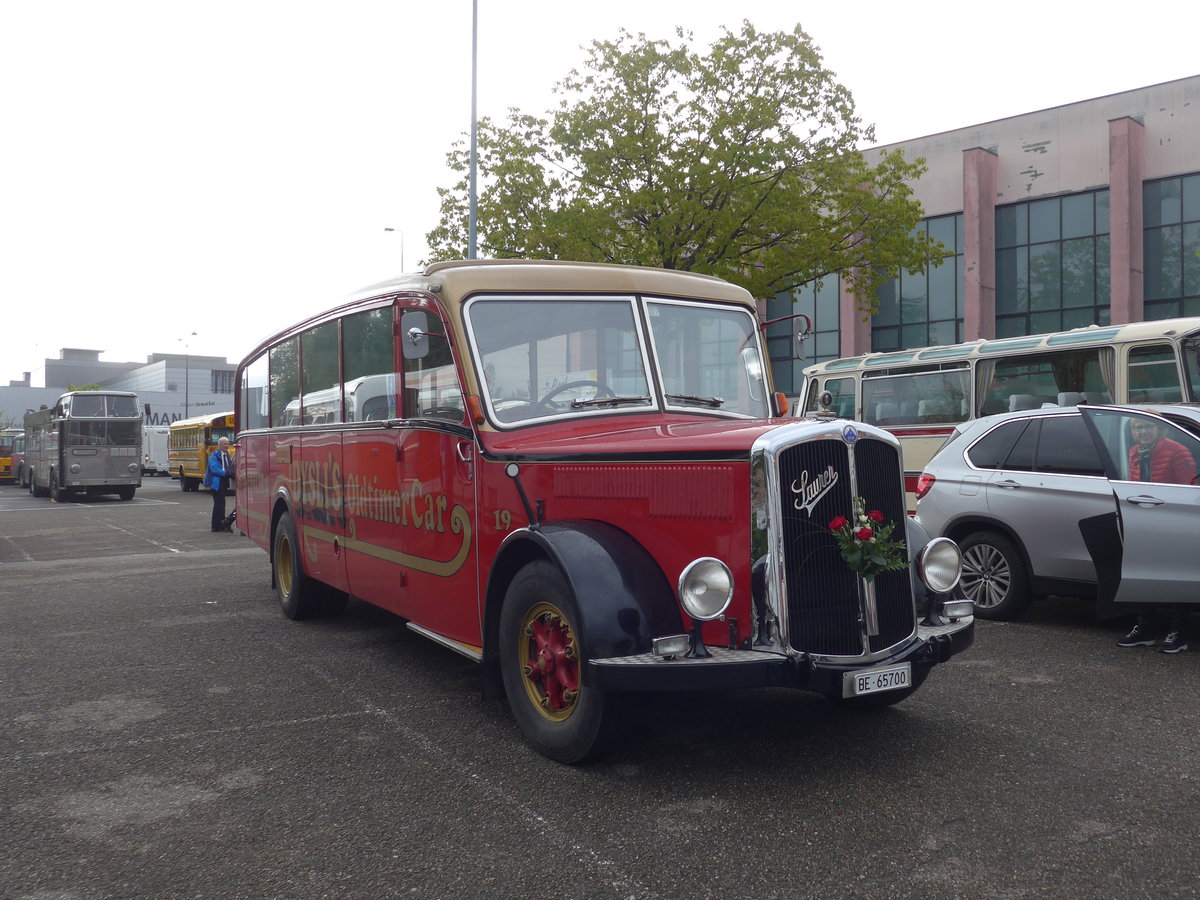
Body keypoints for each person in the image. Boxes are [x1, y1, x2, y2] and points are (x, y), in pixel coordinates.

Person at [1116, 420, 1195, 653]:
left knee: (1177, 575)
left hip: (1174, 520)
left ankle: (1178, 634)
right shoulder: (1133, 452)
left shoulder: (1177, 450)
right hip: (1144, 520)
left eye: (1148, 427)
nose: (1143, 432)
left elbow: (1189, 486)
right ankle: (1144, 630)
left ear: (1160, 430)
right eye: (1138, 428)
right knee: (1145, 575)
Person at [202, 437, 235, 533]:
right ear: (219, 445)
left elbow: (229, 466)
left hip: (224, 482)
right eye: (225, 444)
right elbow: (214, 469)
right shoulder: (214, 455)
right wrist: (227, 473)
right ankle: (216, 526)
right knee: (219, 504)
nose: (227, 445)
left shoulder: (226, 455)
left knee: (221, 504)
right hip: (216, 483)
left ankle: (220, 524)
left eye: (228, 443)